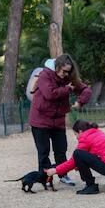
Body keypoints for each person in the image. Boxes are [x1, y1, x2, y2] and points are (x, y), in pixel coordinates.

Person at [28, 54, 90, 186]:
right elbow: (50, 94)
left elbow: (86, 90)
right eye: (64, 71)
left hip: (58, 121)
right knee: (43, 152)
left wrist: (80, 102)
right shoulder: (45, 75)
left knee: (61, 150)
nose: (66, 74)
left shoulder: (69, 78)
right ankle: (45, 178)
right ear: (57, 67)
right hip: (40, 120)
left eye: (68, 71)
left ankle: (63, 175)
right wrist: (67, 89)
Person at [47, 120, 105, 195]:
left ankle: (91, 186)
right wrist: (79, 164)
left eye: (75, 134)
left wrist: (56, 170)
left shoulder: (85, 137)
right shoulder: (98, 133)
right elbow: (92, 156)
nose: (76, 137)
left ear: (80, 131)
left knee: (77, 153)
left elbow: (74, 160)